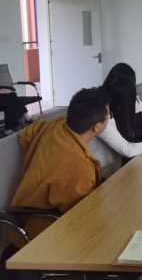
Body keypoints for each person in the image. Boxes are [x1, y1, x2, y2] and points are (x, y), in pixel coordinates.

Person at [8, 89, 109, 251]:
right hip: (44, 234)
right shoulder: (78, 166)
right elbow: (82, 217)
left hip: (26, 216)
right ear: (97, 127)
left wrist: (42, 161)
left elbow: (25, 136)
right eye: (108, 117)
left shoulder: (58, 123)